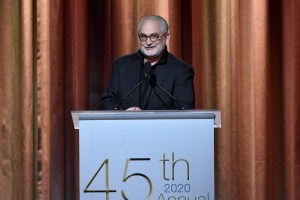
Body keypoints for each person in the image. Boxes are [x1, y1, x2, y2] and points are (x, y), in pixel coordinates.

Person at [101, 15, 195, 110]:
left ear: (166, 38)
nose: (148, 42)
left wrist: (147, 117)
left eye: (154, 36)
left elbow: (184, 109)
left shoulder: (181, 70)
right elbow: (107, 102)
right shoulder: (121, 65)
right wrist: (124, 113)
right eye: (143, 36)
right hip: (125, 124)